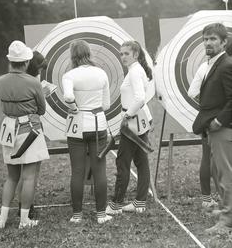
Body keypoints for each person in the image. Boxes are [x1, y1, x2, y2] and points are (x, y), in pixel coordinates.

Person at [0, 41, 49, 229]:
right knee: (29, 176)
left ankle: (2, 219)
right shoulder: (33, 82)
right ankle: (24, 220)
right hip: (29, 129)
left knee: (12, 177)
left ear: (10, 61)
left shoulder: (0, 81)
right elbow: (41, 110)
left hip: (8, 128)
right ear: (26, 62)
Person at [62, 39, 112, 224]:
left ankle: (77, 215)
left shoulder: (69, 75)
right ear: (89, 53)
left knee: (77, 171)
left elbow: (68, 96)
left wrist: (74, 107)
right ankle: (100, 214)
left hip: (77, 125)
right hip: (98, 123)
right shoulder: (101, 73)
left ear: (72, 55)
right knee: (99, 171)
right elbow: (106, 105)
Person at [192, 23, 232, 234]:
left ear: (224, 42)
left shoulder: (226, 65)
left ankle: (227, 221)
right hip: (217, 128)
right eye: (205, 39)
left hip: (223, 129)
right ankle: (227, 211)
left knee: (226, 175)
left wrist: (219, 121)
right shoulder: (215, 63)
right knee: (220, 172)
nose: (208, 43)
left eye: (213, 39)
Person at [106, 41, 153, 215]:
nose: (123, 57)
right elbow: (140, 98)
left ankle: (116, 204)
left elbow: (140, 98)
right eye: (121, 54)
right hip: (138, 119)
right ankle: (139, 202)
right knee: (141, 162)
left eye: (126, 53)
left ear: (135, 54)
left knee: (123, 162)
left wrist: (127, 116)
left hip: (133, 121)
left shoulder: (134, 71)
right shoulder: (137, 69)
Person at [17, 51, 50, 219]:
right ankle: (26, 208)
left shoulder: (17, 80)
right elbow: (40, 110)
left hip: (18, 127)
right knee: (31, 172)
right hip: (32, 127)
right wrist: (42, 97)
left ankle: (25, 206)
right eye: (39, 68)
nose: (40, 72)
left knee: (27, 172)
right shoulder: (32, 82)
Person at [188, 61, 219, 210]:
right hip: (221, 119)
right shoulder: (217, 66)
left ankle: (208, 198)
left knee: (208, 156)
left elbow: (192, 93)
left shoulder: (204, 66)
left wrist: (207, 106)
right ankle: (220, 197)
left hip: (210, 118)